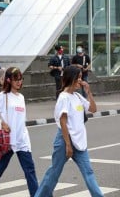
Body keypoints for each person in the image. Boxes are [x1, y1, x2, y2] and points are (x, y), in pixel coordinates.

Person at [34, 66, 103, 197]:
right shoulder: (64, 97)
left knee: (89, 173)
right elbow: (63, 122)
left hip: (80, 142)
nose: (80, 81)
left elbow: (93, 109)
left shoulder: (77, 96)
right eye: (78, 78)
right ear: (71, 78)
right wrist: (68, 145)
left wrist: (88, 92)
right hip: (65, 140)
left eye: (81, 78)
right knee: (54, 172)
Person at [0, 67, 38, 197]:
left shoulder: (21, 97)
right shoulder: (3, 96)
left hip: (22, 139)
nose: (19, 82)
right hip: (8, 140)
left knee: (30, 170)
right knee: (0, 167)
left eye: (21, 79)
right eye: (16, 79)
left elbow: (21, 120)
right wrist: (2, 122)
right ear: (9, 80)